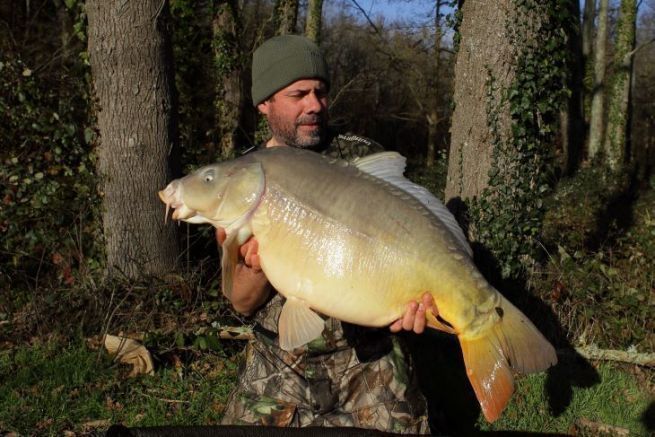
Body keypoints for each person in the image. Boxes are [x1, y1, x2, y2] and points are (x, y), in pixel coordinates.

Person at [218, 35, 435, 434]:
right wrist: (256, 264)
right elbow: (242, 302)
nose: (314, 105)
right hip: (282, 359)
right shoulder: (241, 179)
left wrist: (414, 299)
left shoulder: (358, 157)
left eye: (320, 92)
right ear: (264, 103)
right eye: (298, 94)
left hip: (367, 355)